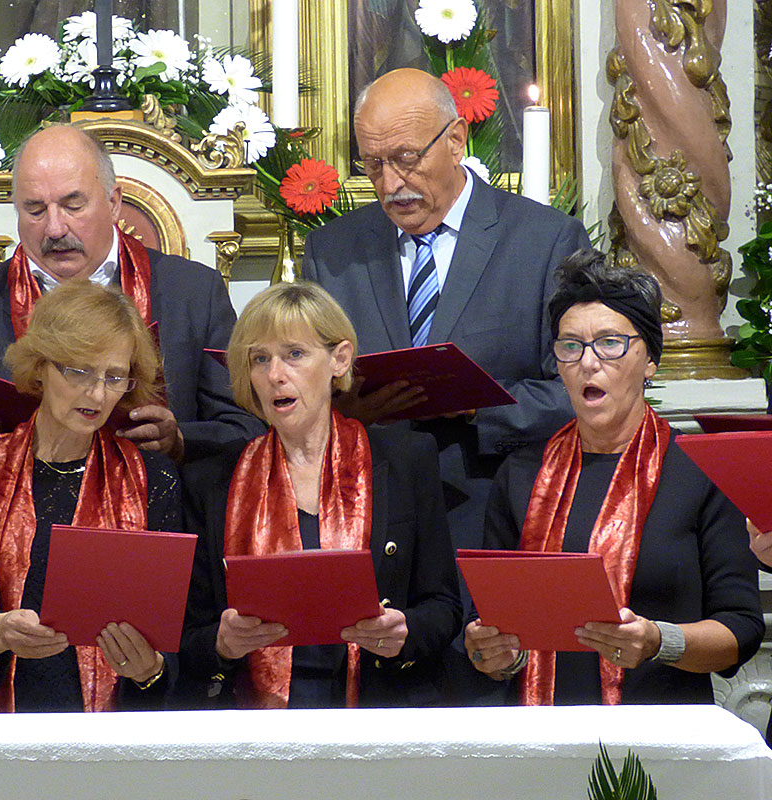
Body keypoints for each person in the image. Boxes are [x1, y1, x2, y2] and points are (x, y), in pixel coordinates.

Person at [301, 68, 592, 554]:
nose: (391, 183)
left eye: (406, 158)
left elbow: (583, 392)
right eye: (373, 164)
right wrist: (343, 411)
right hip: (365, 518)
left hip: (493, 515)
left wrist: (478, 405)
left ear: (455, 140)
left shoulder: (545, 242)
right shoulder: (332, 251)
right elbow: (302, 387)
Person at [464, 251, 763, 705]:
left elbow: (740, 630)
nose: (588, 362)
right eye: (571, 346)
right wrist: (490, 653)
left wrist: (658, 641)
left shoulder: (699, 467)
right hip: (539, 728)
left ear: (650, 360)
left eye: (610, 343)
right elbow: (490, 626)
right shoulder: (521, 473)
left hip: (658, 727)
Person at [0, 124, 263, 482]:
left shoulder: (192, 293)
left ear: (113, 203)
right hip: (18, 510)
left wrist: (179, 441)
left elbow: (246, 429)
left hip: (161, 507)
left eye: (73, 206)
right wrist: (1, 452)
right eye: (35, 210)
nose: (54, 229)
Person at [177, 282, 461, 709]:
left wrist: (404, 633)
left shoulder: (405, 459)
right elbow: (188, 635)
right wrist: (222, 643)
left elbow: (444, 605)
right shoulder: (214, 478)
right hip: (256, 717)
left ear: (339, 359)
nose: (275, 375)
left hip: (378, 708)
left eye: (294, 354)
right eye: (259, 359)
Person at [0, 281, 183, 712]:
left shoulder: (152, 478)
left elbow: (175, 641)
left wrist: (149, 669)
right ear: (40, 367)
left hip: (108, 730)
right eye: (79, 371)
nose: (97, 393)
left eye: (114, 377)